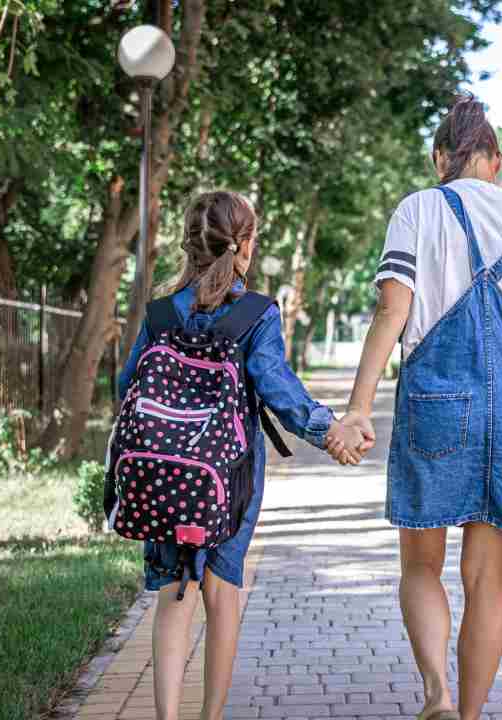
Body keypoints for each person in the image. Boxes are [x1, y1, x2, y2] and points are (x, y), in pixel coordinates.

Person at [326, 95, 502, 720]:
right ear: (496, 160)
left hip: (435, 402)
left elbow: (392, 311)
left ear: (440, 157)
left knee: (422, 566)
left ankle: (437, 696)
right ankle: (470, 714)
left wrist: (359, 407)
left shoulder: (419, 209)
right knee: (487, 581)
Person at [116, 191, 370, 720]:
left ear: (189, 243)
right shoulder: (255, 314)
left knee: (172, 593)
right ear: (246, 244)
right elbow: (278, 390)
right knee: (221, 588)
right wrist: (330, 432)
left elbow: (125, 388)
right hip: (229, 478)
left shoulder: (160, 314)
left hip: (161, 477)